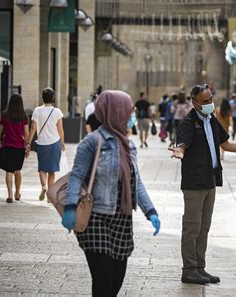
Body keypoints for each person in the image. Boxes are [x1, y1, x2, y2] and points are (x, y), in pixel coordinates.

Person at [62, 90, 161, 296]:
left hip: (122, 220)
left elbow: (136, 182)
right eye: (128, 110)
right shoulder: (92, 142)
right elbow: (77, 176)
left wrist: (150, 211)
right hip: (95, 217)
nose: (131, 114)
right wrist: (70, 207)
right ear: (115, 112)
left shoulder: (129, 145)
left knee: (116, 280)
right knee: (103, 279)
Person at [168, 84, 236, 285]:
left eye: (211, 100)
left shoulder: (212, 120)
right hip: (194, 182)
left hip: (210, 180)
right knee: (192, 227)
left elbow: (226, 144)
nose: (209, 104)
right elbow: (182, 145)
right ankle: (189, 269)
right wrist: (179, 151)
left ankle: (200, 267)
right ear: (194, 102)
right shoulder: (188, 123)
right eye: (205, 102)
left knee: (204, 227)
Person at [27, 88, 65, 201]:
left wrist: (28, 142)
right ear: (53, 98)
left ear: (42, 98)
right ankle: (49, 194)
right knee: (52, 170)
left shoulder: (37, 110)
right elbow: (60, 129)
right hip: (55, 143)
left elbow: (33, 127)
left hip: (42, 143)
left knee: (42, 169)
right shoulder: (57, 112)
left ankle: (43, 186)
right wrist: (62, 143)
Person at [0, 94, 29, 203]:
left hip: (7, 146)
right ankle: (17, 193)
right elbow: (26, 133)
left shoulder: (5, 115)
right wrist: (27, 146)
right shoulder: (23, 116)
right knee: (17, 170)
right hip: (19, 147)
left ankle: (9, 195)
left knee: (9, 171)